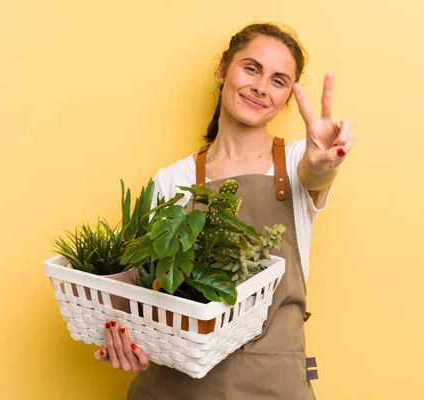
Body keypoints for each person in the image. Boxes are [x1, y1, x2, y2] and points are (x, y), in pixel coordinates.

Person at [93, 22, 354, 399]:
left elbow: (315, 174)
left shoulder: (297, 162)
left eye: (279, 81)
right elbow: (140, 288)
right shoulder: (172, 180)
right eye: (251, 68)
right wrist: (119, 334)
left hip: (271, 385)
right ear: (222, 69)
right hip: (175, 387)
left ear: (286, 98)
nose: (261, 87)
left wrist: (324, 162)